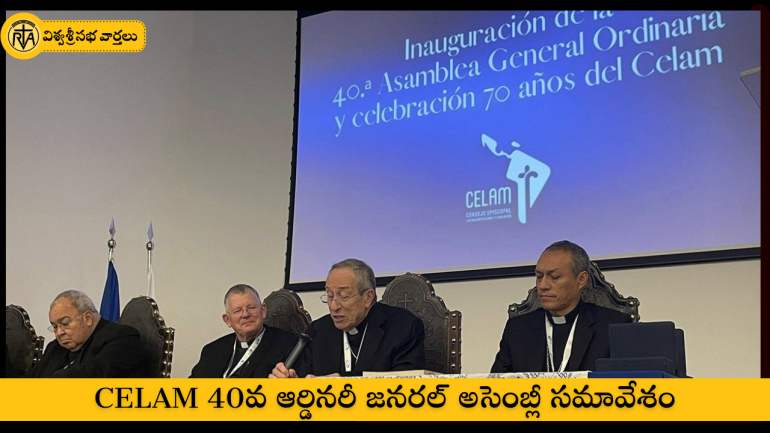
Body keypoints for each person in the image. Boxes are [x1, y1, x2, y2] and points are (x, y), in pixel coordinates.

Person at [491, 241, 633, 373]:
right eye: (539, 277)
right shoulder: (517, 330)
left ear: (581, 279)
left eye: (555, 277)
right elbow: (495, 386)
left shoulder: (614, 326)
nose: (543, 285)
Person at [271, 259, 425, 378]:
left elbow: (407, 383)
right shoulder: (318, 330)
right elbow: (307, 379)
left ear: (368, 297)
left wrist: (345, 382)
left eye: (344, 296)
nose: (333, 306)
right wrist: (293, 385)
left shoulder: (403, 326)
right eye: (329, 296)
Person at [26, 290, 154, 377]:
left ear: (87, 318)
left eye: (65, 323)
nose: (59, 333)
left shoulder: (122, 338)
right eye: (54, 327)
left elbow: (93, 374)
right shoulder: (55, 348)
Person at [190, 284, 297, 378]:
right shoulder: (212, 351)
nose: (245, 314)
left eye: (251, 307)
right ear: (227, 320)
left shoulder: (290, 346)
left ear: (263, 310)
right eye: (238, 311)